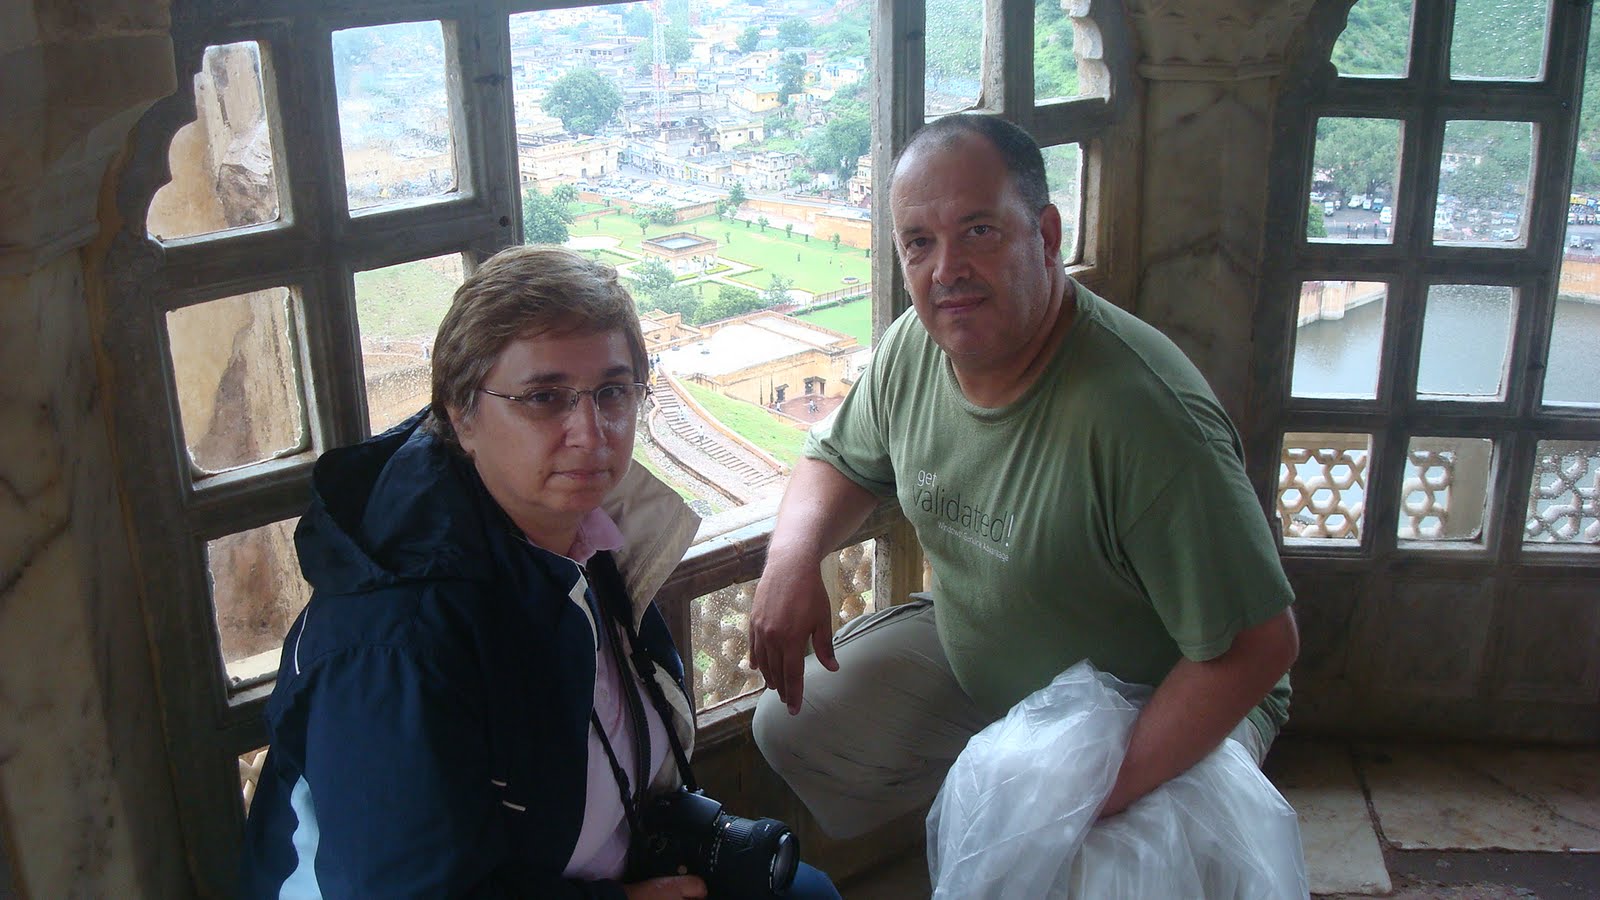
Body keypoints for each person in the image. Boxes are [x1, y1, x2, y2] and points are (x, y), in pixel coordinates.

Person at [748, 114, 1300, 842]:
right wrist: (791, 560)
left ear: (1045, 236)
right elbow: (838, 459)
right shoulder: (914, 348)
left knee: (1104, 866)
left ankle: (1028, 827)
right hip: (984, 662)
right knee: (797, 723)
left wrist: (1091, 795)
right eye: (919, 243)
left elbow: (1258, 648)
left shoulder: (1145, 417)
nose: (946, 270)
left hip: (1153, 698)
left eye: (978, 231)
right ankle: (979, 813)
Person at [240, 246, 840, 899]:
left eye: (613, 392)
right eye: (543, 397)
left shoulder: (582, 535)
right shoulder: (394, 642)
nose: (591, 432)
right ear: (461, 414)